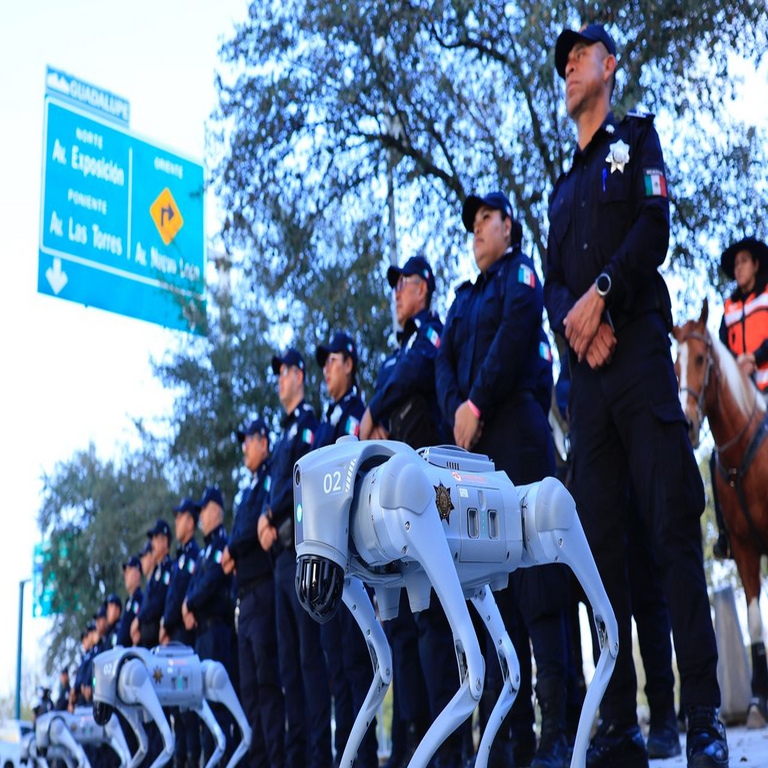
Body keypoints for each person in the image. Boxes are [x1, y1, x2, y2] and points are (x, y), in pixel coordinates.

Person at [544, 23, 728, 768]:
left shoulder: (636, 140)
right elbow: (553, 285)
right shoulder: (562, 188)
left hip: (643, 357)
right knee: (601, 552)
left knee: (672, 528)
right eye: (562, 63)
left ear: (609, 65)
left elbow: (655, 227)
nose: (568, 69)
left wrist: (603, 295)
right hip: (589, 384)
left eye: (579, 57)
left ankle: (703, 715)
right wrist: (578, 326)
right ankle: (618, 723)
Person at [435, 191, 569, 768]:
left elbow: (515, 337)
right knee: (494, 592)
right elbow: (442, 362)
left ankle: (557, 731)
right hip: (475, 452)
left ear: (508, 226)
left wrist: (477, 404)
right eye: (472, 224)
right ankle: (512, 739)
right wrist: (457, 413)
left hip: (517, 430)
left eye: (486, 219)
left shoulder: (521, 273)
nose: (477, 230)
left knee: (538, 581)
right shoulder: (462, 299)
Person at [258, 347, 331, 768]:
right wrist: (266, 522)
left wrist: (270, 514)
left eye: (284, 372)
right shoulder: (283, 431)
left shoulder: (307, 424)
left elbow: (301, 475)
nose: (280, 380)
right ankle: (296, 755)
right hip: (280, 561)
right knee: (288, 667)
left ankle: (320, 755)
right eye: (278, 374)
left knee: (309, 660)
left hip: (302, 554)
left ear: (300, 376)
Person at [314, 333, 378, 768]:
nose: (327, 369)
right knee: (336, 667)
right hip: (327, 560)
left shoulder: (357, 414)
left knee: (357, 665)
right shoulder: (327, 420)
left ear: (350, 364)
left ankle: (365, 759)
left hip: (352, 557)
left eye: (333, 360)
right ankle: (347, 757)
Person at [224, 418, 285, 768]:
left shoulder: (270, 477)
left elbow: (248, 532)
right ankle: (258, 760)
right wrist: (236, 546)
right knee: (249, 690)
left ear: (263, 441)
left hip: (263, 591)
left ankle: (275, 760)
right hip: (245, 601)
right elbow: (240, 533)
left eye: (248, 440)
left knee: (267, 684)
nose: (245, 447)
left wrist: (234, 549)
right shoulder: (247, 491)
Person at [710, 237, 768, 558]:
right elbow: (720, 349)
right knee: (717, 457)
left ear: (756, 265)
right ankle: (726, 534)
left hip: (766, 387)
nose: (738, 268)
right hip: (742, 399)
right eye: (735, 264)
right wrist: (736, 362)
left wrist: (754, 358)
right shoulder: (728, 308)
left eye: (743, 261)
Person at [360, 256, 444, 446]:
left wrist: (373, 411)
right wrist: (376, 424)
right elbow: (387, 385)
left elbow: (413, 371)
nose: (396, 295)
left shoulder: (432, 331)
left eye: (402, 284)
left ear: (421, 289)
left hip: (426, 454)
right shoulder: (395, 355)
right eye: (395, 288)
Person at [183, 485, 235, 764]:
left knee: (218, 706)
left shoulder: (221, 545)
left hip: (217, 633)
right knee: (204, 709)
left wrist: (190, 604)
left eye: (203, 511)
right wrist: (187, 604)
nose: (201, 517)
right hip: (201, 637)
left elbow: (211, 581)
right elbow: (194, 586)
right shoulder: (204, 553)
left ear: (215, 511)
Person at [163, 496, 202, 768]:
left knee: (187, 709)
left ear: (190, 521)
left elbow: (180, 597)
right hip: (173, 638)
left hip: (184, 639)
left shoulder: (193, 556)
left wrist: (166, 624)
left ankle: (190, 760)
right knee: (177, 710)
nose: (176, 522)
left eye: (180, 517)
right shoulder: (180, 558)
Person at [135, 519, 173, 649]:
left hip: (160, 641)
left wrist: (140, 619)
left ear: (165, 541)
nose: (152, 543)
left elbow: (159, 601)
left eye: (156, 538)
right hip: (149, 642)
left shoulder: (168, 568)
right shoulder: (157, 572)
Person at [117, 555, 143, 648]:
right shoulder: (129, 601)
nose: (126, 575)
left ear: (138, 573)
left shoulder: (140, 599)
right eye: (125, 572)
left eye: (129, 571)